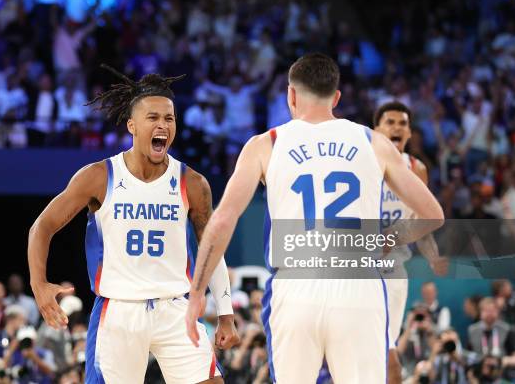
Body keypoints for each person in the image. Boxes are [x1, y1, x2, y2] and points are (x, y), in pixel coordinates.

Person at [186, 53, 444, 383]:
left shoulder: (266, 144)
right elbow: (433, 215)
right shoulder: (373, 142)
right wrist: (385, 240)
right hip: (359, 287)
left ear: (291, 95)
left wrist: (197, 295)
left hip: (295, 287)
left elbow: (222, 220)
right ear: (336, 97)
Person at [28, 66, 239, 383]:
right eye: (153, 118)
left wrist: (225, 314)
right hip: (119, 311)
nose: (163, 125)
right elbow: (41, 227)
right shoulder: (99, 176)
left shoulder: (192, 183)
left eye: (169, 119)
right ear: (132, 125)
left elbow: (213, 250)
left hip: (176, 309)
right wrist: (38, 283)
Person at [373, 101, 449, 383]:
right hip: (357, 263)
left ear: (409, 133)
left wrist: (432, 256)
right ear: (376, 130)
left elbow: (423, 221)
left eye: (402, 123)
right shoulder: (363, 161)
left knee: (388, 350)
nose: (397, 127)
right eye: (390, 122)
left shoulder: (416, 168)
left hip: (393, 267)